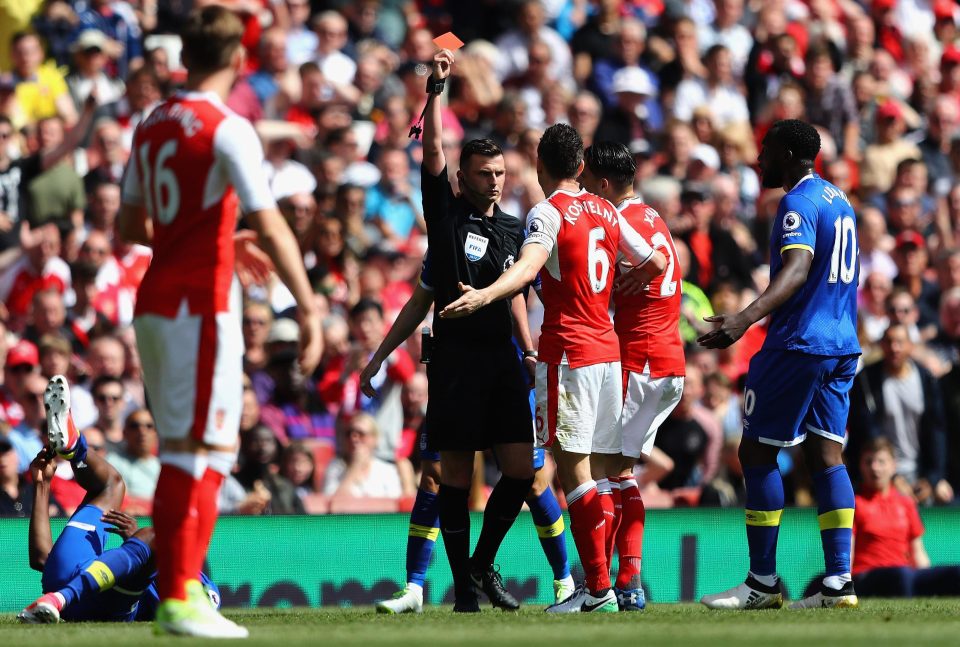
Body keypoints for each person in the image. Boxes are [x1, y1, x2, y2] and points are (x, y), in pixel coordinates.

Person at [117, 6, 322, 637]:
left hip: (155, 302)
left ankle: (183, 593)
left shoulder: (151, 123)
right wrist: (309, 307)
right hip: (197, 307)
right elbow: (273, 223)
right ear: (238, 62)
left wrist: (216, 237)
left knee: (200, 448)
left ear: (185, 60)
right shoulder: (229, 127)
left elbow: (128, 228)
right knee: (195, 453)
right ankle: (179, 595)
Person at [440, 123, 665, 613]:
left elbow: (528, 264)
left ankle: (597, 590)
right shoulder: (606, 207)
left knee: (575, 474)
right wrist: (609, 298)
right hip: (609, 352)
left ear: (540, 167)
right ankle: (613, 586)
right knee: (607, 474)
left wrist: (486, 293)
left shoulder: (547, 211)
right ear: (582, 167)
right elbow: (649, 262)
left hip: (569, 353)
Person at [370, 48, 551, 614]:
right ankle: (464, 591)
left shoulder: (514, 228)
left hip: (500, 360)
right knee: (451, 476)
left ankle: (479, 566)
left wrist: (527, 352)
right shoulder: (445, 213)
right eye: (484, 175)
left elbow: (518, 294)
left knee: (521, 470)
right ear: (462, 178)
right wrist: (435, 90)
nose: (494, 183)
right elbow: (433, 150)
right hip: (453, 363)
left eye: (500, 174)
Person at [698, 120, 861, 610]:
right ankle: (838, 583)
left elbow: (795, 269)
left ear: (790, 153)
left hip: (799, 345)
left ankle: (762, 583)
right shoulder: (839, 200)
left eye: (766, 150)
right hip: (842, 345)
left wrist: (744, 319)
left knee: (756, 452)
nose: (758, 158)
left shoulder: (798, 203)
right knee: (827, 457)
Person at [363, 259, 575, 614]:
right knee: (433, 477)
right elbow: (421, 301)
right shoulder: (444, 241)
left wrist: (531, 352)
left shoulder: (508, 235)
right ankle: (414, 587)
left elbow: (525, 295)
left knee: (533, 480)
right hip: (456, 378)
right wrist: (383, 356)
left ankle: (563, 581)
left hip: (506, 376)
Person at [578, 141, 686, 611]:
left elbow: (642, 269)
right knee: (623, 470)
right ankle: (628, 581)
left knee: (600, 467)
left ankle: (601, 582)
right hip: (669, 362)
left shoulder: (616, 221)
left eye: (587, 184)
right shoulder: (655, 219)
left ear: (603, 185)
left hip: (638, 357)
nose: (583, 191)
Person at [18, 375, 221, 624]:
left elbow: (183, 601)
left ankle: (60, 598)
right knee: (112, 486)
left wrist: (145, 544)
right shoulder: (141, 552)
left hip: (106, 606)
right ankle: (73, 446)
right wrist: (42, 485)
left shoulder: (205, 591)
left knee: (149, 534)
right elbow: (42, 561)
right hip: (72, 582)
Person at [852, 438, 960, 597]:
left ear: (893, 466)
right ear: (861, 466)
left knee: (955, 574)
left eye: (881, 462)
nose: (875, 468)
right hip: (866, 576)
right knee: (901, 575)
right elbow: (847, 553)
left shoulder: (906, 503)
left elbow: (918, 552)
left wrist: (927, 579)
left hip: (906, 575)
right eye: (869, 462)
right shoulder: (853, 504)